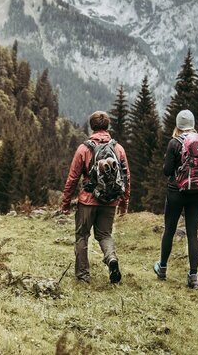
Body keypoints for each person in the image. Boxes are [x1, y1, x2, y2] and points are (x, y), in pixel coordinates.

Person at [60, 111, 131, 284]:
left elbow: (73, 177)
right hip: (110, 200)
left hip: (87, 201)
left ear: (92, 127)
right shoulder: (118, 148)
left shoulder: (84, 148)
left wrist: (66, 202)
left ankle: (83, 276)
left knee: (82, 235)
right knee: (105, 235)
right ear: (107, 127)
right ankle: (111, 258)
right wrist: (124, 202)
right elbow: (126, 176)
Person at [154, 109, 198, 289]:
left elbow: (166, 170)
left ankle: (162, 268)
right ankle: (193, 276)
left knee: (170, 230)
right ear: (193, 124)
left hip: (176, 192)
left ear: (178, 125)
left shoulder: (174, 143)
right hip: (197, 193)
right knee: (192, 234)